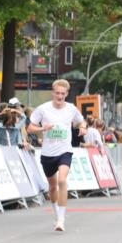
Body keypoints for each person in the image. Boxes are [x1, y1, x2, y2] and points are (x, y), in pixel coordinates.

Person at [27, 79, 84, 232]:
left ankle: (61, 220)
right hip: (47, 153)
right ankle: (56, 213)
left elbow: (81, 121)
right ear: (53, 93)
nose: (59, 96)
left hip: (65, 151)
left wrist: (83, 128)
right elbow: (30, 128)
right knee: (52, 187)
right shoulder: (43, 109)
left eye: (63, 94)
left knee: (62, 180)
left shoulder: (71, 109)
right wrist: (42, 128)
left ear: (66, 94)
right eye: (57, 93)